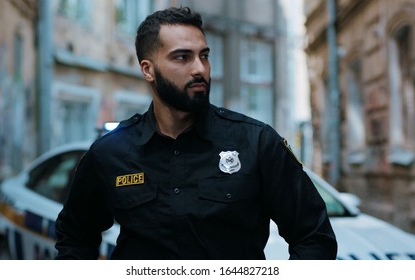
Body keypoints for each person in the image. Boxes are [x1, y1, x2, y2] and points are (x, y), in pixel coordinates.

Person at [55, 6, 337, 260]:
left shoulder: (256, 142)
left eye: (204, 56)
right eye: (182, 58)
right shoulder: (111, 152)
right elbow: (74, 238)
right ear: (148, 70)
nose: (200, 69)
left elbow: (314, 237)